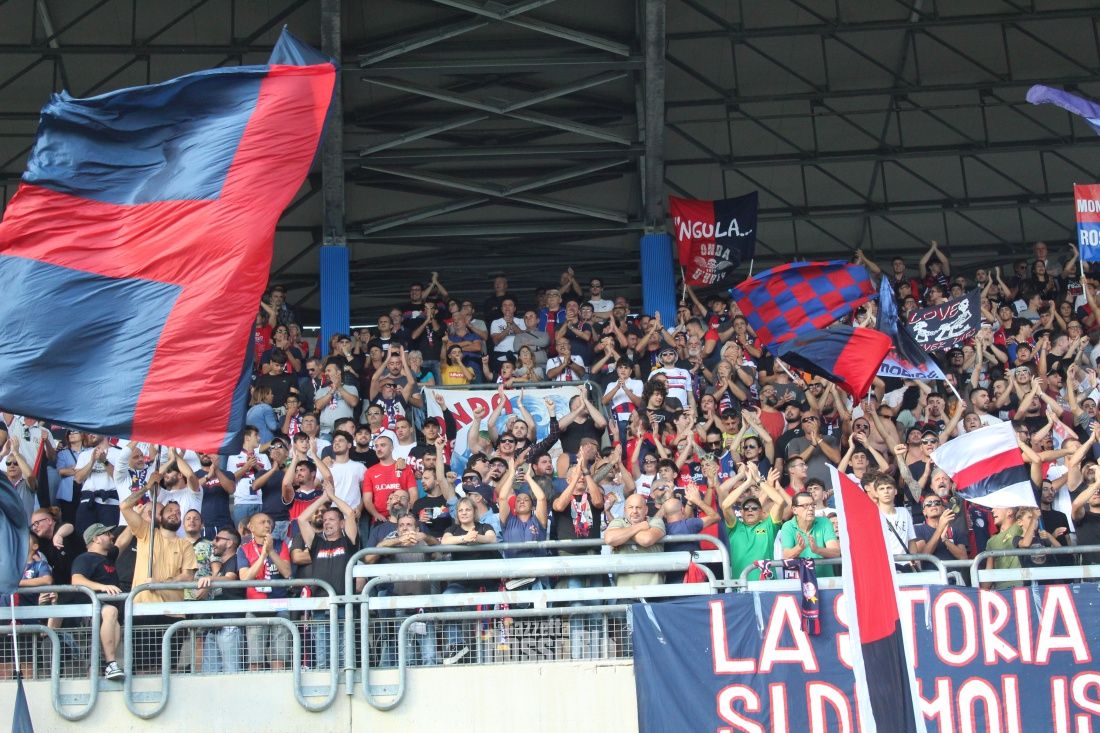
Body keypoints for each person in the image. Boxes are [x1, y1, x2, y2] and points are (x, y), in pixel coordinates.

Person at [295, 489, 358, 670]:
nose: (327, 522)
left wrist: (333, 497)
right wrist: (323, 497)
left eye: (332, 519)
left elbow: (350, 513)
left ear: (341, 523)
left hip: (344, 604)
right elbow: (302, 519)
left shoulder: (348, 542)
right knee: (323, 657)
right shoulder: (317, 544)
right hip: (321, 605)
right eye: (325, 520)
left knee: (344, 657)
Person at [440, 496, 498, 664]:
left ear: (474, 511)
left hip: (485, 584)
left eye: (467, 509)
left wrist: (476, 537)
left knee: (483, 621)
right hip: (461, 583)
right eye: (460, 510)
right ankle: (457, 645)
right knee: (446, 599)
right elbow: (445, 541)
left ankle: (487, 657)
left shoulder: (484, 526)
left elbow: (491, 538)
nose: (464, 513)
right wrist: (465, 538)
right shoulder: (452, 529)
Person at [70, 523, 126, 681]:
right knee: (111, 612)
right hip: (89, 613)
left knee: (114, 618)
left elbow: (123, 541)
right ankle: (110, 663)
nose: (111, 536)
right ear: (96, 539)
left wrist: (139, 516)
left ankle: (109, 664)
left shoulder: (108, 558)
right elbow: (76, 580)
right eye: (107, 534)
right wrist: (103, 587)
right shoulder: (84, 558)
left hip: (107, 614)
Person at [237, 512, 293, 670]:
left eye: (269, 522)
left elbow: (287, 572)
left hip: (280, 605)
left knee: (279, 659)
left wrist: (271, 551)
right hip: (255, 606)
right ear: (251, 527)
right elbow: (245, 578)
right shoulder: (244, 549)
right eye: (262, 522)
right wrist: (262, 555)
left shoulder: (280, 545)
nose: (267, 525)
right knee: (255, 661)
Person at [719, 465, 789, 580]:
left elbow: (780, 501)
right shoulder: (734, 527)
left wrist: (758, 479)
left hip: (767, 584)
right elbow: (725, 505)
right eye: (746, 508)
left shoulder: (769, 526)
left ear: (761, 512)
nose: (750, 510)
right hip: (741, 585)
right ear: (741, 512)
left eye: (755, 508)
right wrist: (747, 483)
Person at [605, 494, 666, 587]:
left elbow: (646, 539)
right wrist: (639, 526)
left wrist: (624, 532)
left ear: (646, 510)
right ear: (625, 510)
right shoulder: (618, 521)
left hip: (653, 590)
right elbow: (610, 539)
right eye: (630, 507)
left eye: (638, 507)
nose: (634, 511)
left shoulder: (655, 521)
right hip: (624, 591)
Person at [779, 491, 840, 577]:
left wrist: (817, 549)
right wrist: (799, 548)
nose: (811, 508)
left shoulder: (825, 522)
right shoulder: (788, 526)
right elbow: (786, 555)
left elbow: (836, 552)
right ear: (794, 510)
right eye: (806, 506)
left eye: (812, 505)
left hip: (825, 580)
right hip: (799, 581)